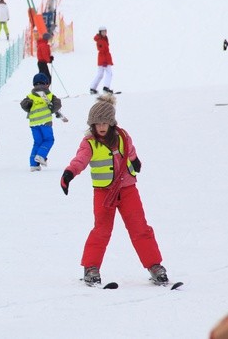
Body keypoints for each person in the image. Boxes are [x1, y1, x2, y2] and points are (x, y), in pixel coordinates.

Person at [59, 94, 169, 287]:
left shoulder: (123, 136)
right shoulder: (89, 142)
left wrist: (135, 161)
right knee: (101, 230)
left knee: (140, 228)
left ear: (111, 123)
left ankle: (155, 265)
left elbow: (130, 150)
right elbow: (81, 159)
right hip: (103, 194)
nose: (101, 127)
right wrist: (69, 173)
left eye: (105, 122)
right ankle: (91, 267)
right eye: (97, 123)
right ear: (92, 124)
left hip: (127, 190)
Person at [19, 72, 62, 172]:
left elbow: (23, 104)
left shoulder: (31, 96)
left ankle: (33, 165)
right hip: (45, 122)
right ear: (47, 84)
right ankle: (41, 156)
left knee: (37, 142)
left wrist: (30, 108)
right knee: (49, 140)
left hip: (33, 123)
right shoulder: (49, 95)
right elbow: (57, 104)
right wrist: (52, 109)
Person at [89, 26, 114, 94]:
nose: (104, 33)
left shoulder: (104, 39)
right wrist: (104, 61)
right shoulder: (100, 40)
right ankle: (106, 87)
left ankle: (93, 88)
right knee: (109, 73)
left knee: (100, 74)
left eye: (105, 31)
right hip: (104, 59)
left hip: (104, 59)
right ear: (100, 32)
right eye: (103, 31)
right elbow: (102, 51)